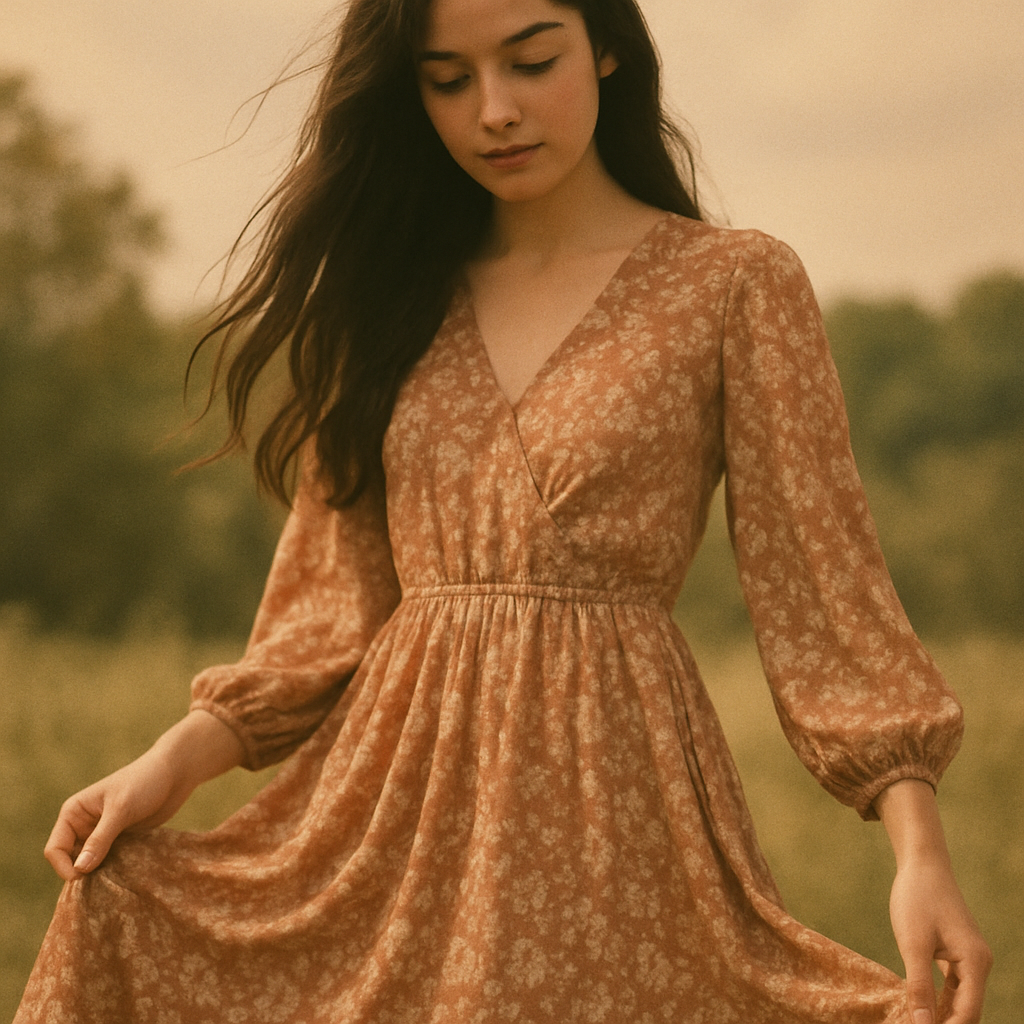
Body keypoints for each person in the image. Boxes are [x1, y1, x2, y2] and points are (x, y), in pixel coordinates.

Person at [16, 0, 991, 1021]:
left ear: (606, 46)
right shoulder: (391, 300)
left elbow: (823, 591)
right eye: (448, 80)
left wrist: (918, 854)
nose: (494, 111)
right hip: (395, 820)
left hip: (611, 810)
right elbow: (322, 614)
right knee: (121, 904)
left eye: (531, 62)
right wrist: (170, 761)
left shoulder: (733, 284)